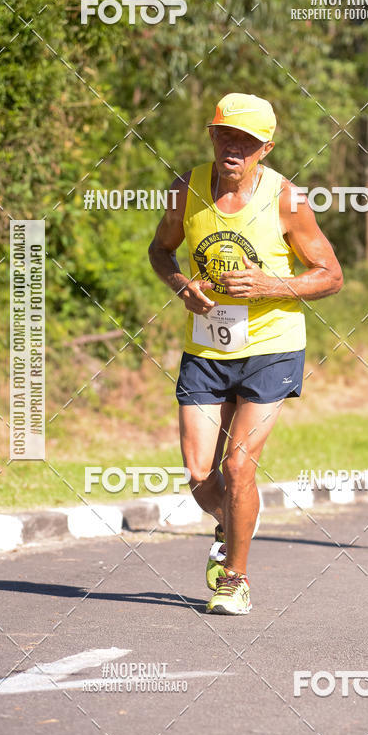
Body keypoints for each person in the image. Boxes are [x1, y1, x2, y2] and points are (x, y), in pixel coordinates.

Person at [148, 92, 343, 613]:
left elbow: (331, 276)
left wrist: (270, 285)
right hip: (208, 347)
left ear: (266, 149)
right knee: (199, 474)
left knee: (238, 468)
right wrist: (179, 284)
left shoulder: (287, 199)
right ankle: (228, 522)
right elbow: (160, 250)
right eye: (226, 135)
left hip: (272, 348)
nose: (234, 148)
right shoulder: (186, 188)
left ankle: (236, 579)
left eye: (248, 141)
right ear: (211, 134)